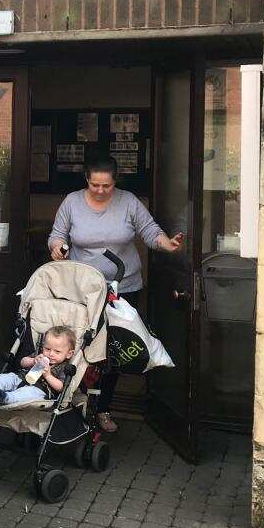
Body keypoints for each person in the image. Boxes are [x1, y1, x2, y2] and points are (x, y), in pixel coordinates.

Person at [48, 155, 183, 433]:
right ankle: (74, 403)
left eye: (106, 186)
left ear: (115, 181)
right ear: (87, 179)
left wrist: (166, 244)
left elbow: (149, 231)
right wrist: (58, 247)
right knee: (82, 348)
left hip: (123, 287)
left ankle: (104, 409)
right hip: (82, 289)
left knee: (113, 353)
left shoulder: (129, 201)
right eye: (95, 184)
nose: (100, 190)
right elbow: (57, 235)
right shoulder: (72, 202)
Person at [0, 325, 75, 406]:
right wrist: (32, 361)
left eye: (57, 351)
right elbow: (22, 362)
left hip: (39, 389)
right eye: (47, 349)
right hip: (20, 379)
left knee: (27, 393)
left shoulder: (64, 367)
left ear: (69, 354)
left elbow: (61, 387)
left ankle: (7, 398)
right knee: (3, 378)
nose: (51, 354)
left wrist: (48, 375)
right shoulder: (39, 356)